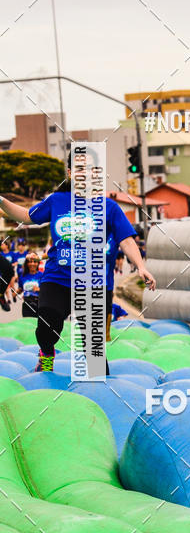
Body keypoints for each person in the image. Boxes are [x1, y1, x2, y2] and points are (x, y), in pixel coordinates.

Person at [0, 152, 156, 372]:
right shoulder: (56, 201)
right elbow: (26, 216)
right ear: (71, 173)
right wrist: (1, 200)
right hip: (57, 278)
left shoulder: (109, 207)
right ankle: (46, 354)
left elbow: (127, 240)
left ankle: (97, 374)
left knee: (94, 354)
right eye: (80, 168)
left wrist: (140, 266)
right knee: (46, 326)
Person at [17, 253, 42, 318]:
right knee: (27, 323)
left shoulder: (42, 275)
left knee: (38, 323)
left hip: (39, 304)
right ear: (27, 264)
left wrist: (39, 289)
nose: (32, 264)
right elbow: (20, 289)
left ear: (38, 263)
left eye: (35, 262)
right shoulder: (22, 276)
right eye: (30, 262)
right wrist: (16, 292)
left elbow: (48, 291)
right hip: (27, 305)